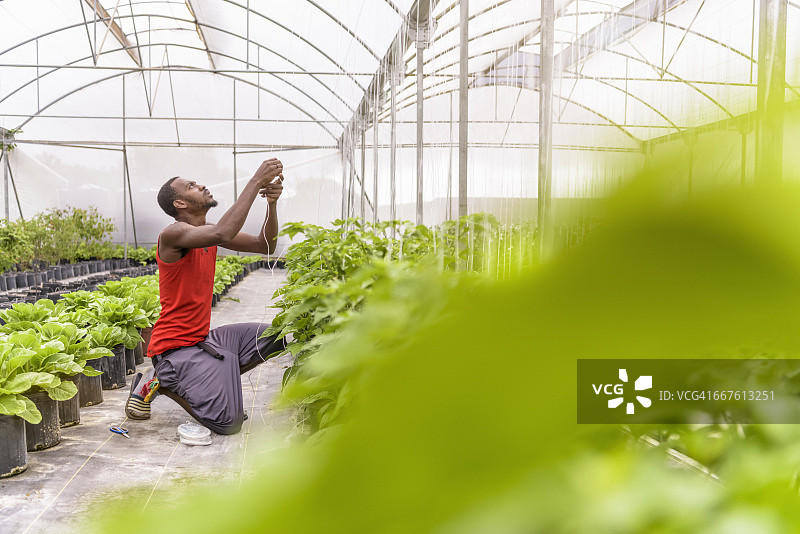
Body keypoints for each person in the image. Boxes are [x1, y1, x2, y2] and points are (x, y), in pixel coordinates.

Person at [125, 159, 286, 435]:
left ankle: (208, 382)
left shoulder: (209, 233)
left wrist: (271, 205)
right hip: (175, 351)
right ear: (180, 204)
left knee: (277, 336)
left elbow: (265, 245)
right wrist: (256, 181)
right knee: (228, 422)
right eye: (191, 186)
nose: (201, 186)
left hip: (203, 342)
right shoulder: (174, 234)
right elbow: (224, 231)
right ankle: (161, 380)